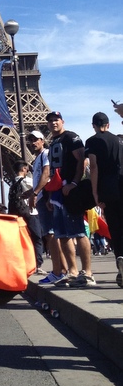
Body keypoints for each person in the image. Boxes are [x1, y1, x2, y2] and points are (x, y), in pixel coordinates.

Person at [45, 111, 95, 287]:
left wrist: (74, 183)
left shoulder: (71, 137)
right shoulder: (53, 143)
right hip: (58, 193)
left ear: (62, 121)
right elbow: (52, 171)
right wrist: (50, 195)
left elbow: (82, 160)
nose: (53, 123)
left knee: (78, 231)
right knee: (63, 234)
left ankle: (87, 273)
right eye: (50, 121)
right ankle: (73, 272)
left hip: (69, 191)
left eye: (56, 120)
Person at [85, 112, 123, 286]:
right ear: (108, 125)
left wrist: (94, 192)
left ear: (93, 125)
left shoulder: (92, 142)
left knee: (115, 227)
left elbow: (93, 166)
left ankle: (121, 259)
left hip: (108, 189)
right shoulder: (119, 140)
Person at [26, 130, 68, 281]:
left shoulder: (45, 154)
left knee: (51, 235)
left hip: (45, 198)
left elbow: (47, 174)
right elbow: (40, 179)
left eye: (36, 140)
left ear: (42, 140)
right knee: (50, 235)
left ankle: (59, 271)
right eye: (30, 140)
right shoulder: (37, 158)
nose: (33, 142)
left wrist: (36, 193)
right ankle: (60, 270)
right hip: (43, 196)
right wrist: (30, 192)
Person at [8, 160, 44, 272]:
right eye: (27, 168)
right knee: (37, 238)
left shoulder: (13, 182)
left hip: (18, 212)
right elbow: (41, 186)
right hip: (30, 212)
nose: (28, 170)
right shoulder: (27, 180)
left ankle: (23, 262)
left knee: (22, 238)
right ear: (24, 169)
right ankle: (38, 265)